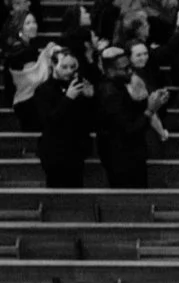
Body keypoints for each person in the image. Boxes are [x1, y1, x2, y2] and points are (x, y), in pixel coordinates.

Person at [95, 45, 168, 188]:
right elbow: (129, 129)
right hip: (120, 157)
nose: (130, 71)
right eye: (124, 69)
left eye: (130, 67)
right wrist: (150, 110)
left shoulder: (120, 86)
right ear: (110, 71)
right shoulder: (110, 93)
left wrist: (154, 100)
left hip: (130, 153)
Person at [31, 48, 96, 187]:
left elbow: (89, 120)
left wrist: (90, 99)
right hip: (55, 151)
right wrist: (68, 99)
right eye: (64, 67)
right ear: (54, 66)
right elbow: (49, 121)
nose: (69, 71)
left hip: (76, 149)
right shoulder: (43, 90)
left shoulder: (77, 86)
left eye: (72, 67)